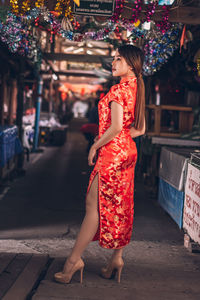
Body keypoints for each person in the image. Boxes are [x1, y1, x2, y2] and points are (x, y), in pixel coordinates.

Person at [54, 45, 146, 284]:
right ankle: (116, 259)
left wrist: (96, 145)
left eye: (118, 59)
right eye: (113, 58)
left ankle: (73, 261)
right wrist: (114, 140)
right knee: (121, 203)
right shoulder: (138, 89)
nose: (113, 63)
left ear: (131, 65)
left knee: (93, 206)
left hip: (112, 154)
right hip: (127, 152)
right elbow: (139, 129)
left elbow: (115, 128)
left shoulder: (117, 91)